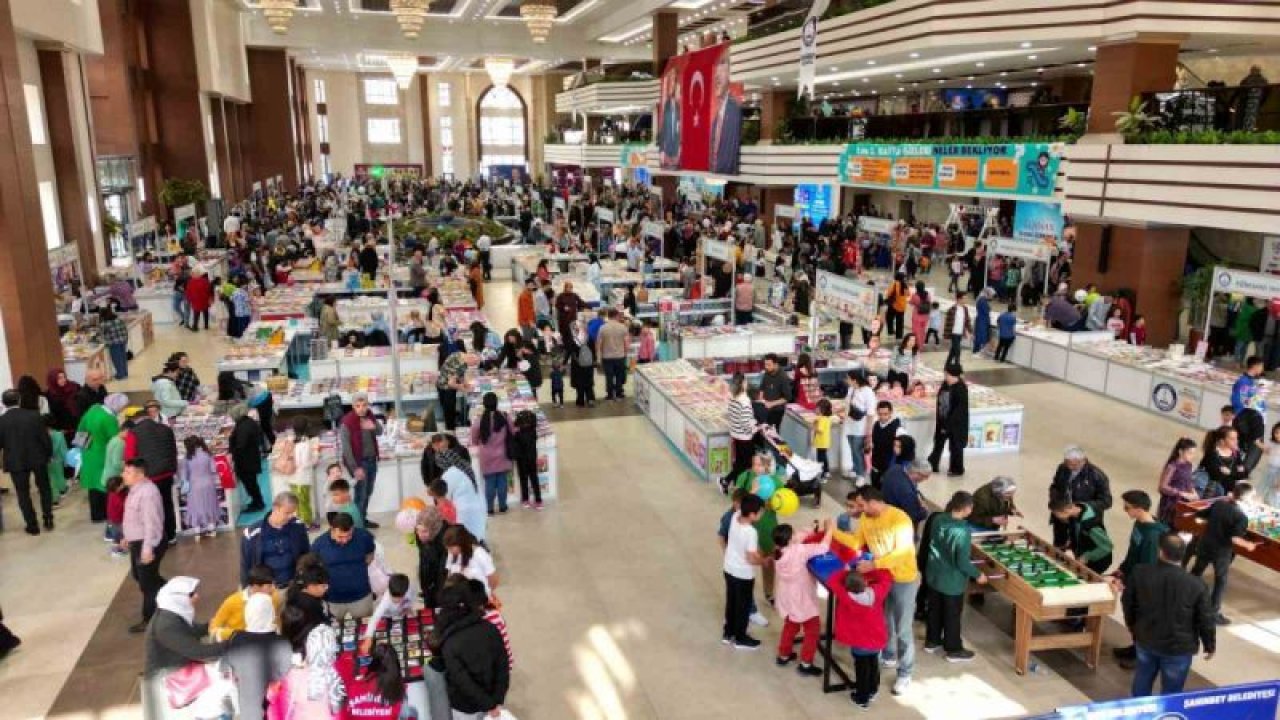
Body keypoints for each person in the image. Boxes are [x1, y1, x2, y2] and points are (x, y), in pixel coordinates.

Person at [840, 486, 919, 696]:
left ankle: (905, 673)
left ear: (873, 502)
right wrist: (832, 533)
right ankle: (889, 655)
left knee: (903, 629)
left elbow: (902, 553)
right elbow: (856, 542)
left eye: (861, 505)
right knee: (885, 621)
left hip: (903, 579)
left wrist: (874, 565)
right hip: (883, 579)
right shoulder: (866, 518)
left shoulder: (900, 519)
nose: (859, 509)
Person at [1123, 534, 1216, 697]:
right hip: (1178, 648)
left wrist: (1132, 626)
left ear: (1160, 551)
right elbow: (1205, 618)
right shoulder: (1197, 585)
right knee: (1172, 692)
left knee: (1142, 679)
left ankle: (1139, 709)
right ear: (1183, 554)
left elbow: (1128, 602)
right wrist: (1209, 644)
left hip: (1146, 638)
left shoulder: (1140, 573)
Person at [141, 577, 230, 720]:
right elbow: (199, 652)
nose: (197, 596)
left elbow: (191, 630)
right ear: (178, 598)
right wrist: (233, 643)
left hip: (177, 672)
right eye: (191, 594)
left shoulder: (171, 614)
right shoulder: (166, 625)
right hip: (169, 683)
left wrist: (211, 625)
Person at [925, 491, 988, 662]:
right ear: (966, 508)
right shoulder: (962, 531)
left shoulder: (938, 519)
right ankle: (954, 649)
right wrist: (978, 575)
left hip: (934, 575)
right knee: (952, 615)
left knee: (934, 610)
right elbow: (962, 562)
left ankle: (932, 641)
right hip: (951, 582)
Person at [432, 583, 510, 719]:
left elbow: (463, 682)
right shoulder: (490, 628)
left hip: (465, 707)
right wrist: (496, 701)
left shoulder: (449, 643)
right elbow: (503, 665)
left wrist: (489, 705)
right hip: (493, 701)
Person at [1190, 482, 1259, 625]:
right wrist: (1249, 545)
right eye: (1253, 497)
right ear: (1246, 499)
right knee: (1221, 581)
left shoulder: (1219, 504)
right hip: (1220, 551)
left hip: (1205, 544)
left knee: (1196, 571)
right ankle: (1213, 613)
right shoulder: (1241, 517)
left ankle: (1184, 597)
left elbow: (1201, 514)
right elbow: (1234, 538)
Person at [772, 520, 833, 675]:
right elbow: (823, 548)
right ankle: (806, 663)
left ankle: (784, 654)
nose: (796, 533)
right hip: (802, 597)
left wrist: (812, 529)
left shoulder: (779, 551)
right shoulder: (799, 550)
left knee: (790, 625)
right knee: (812, 629)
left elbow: (798, 536)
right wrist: (829, 531)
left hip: (786, 595)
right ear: (789, 539)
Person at [830, 565, 894, 709]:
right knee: (874, 665)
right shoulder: (877, 593)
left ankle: (862, 698)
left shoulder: (845, 597)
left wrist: (846, 571)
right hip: (876, 640)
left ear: (847, 587)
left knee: (862, 669)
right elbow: (886, 577)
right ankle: (873, 690)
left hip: (859, 643)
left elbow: (833, 581)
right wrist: (870, 569)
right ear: (865, 583)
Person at [225, 593, 292, 720]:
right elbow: (286, 674)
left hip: (247, 708)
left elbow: (228, 669)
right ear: (271, 613)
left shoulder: (236, 638)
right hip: (274, 708)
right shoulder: (281, 643)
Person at [121, 459, 166, 632]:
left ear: (140, 475)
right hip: (137, 541)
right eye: (124, 471)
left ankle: (150, 620)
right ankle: (175, 592)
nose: (123, 475)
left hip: (147, 542)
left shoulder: (147, 494)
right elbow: (133, 518)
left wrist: (148, 548)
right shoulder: (135, 490)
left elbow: (151, 523)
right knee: (141, 576)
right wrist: (127, 536)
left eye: (128, 472)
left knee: (147, 584)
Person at [0, 389, 54, 534]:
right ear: (19, 400)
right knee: (44, 488)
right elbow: (45, 438)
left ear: (3, 403)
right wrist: (49, 454)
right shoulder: (34, 415)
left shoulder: (1, 421)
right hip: (38, 457)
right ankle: (48, 518)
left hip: (15, 461)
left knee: (23, 493)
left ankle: (32, 525)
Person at [312, 511, 377, 620]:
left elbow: (370, 554)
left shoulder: (364, 536)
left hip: (361, 596)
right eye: (340, 537)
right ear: (332, 529)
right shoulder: (319, 544)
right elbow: (314, 568)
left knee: (364, 626)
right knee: (333, 628)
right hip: (333, 599)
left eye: (349, 535)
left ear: (353, 528)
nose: (345, 540)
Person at [722, 493, 765, 650]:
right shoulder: (751, 532)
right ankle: (740, 638)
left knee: (731, 602)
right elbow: (751, 558)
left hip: (728, 568)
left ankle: (728, 633)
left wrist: (752, 493)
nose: (761, 515)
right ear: (752, 515)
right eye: (760, 513)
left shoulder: (735, 516)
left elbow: (742, 505)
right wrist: (763, 562)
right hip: (743, 575)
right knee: (743, 606)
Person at [239, 491, 310, 588]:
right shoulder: (252, 534)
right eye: (287, 513)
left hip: (293, 586)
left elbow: (306, 555)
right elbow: (245, 566)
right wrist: (246, 590)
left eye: (293, 512)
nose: (291, 517)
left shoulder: (298, 526)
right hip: (267, 589)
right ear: (275, 508)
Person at [1049, 446, 1113, 548]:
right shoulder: (1062, 468)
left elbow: (1107, 501)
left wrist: (1081, 508)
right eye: (1068, 463)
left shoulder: (1097, 476)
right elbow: (1055, 486)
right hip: (1062, 518)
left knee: (1079, 549)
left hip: (1082, 521)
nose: (1070, 467)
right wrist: (1056, 504)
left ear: (1083, 460)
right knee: (1059, 546)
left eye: (1074, 465)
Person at [431, 434, 488, 542]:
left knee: (467, 536)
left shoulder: (450, 473)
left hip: (463, 511)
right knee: (476, 533)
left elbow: (444, 495)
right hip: (475, 506)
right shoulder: (463, 467)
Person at [340, 393, 383, 529]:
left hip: (371, 460)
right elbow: (346, 449)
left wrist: (373, 426)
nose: (361, 408)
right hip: (359, 463)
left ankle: (361, 520)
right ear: (353, 406)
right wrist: (355, 468)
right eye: (358, 406)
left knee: (368, 492)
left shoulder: (369, 416)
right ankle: (357, 527)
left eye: (364, 405)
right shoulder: (347, 422)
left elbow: (380, 431)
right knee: (360, 495)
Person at [210, 564, 281, 641]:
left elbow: (277, 623)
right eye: (269, 586)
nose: (274, 589)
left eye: (274, 584)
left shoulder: (275, 598)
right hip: (238, 644)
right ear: (256, 587)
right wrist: (237, 634)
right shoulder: (232, 601)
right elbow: (214, 629)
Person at [469, 392, 513, 515]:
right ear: (496, 403)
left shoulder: (479, 421)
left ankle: (490, 508)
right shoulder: (504, 417)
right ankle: (503, 506)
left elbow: (474, 439)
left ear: (484, 404)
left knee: (489, 483)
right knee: (502, 481)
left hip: (486, 456)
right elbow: (513, 431)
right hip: (502, 453)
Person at [1049, 493, 1114, 573]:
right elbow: (1077, 532)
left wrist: (1087, 556)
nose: (1056, 517)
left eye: (1056, 514)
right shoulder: (1074, 512)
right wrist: (1070, 544)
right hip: (1083, 555)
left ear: (1066, 511)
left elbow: (1107, 546)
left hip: (1098, 562)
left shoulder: (1091, 523)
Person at [927, 364, 969, 477]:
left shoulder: (961, 389)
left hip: (955, 423)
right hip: (942, 419)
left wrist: (948, 425)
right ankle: (933, 463)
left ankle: (956, 469)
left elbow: (959, 411)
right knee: (938, 442)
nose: (945, 376)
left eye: (946, 374)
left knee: (955, 446)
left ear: (953, 375)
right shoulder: (945, 384)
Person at [179, 436, 221, 538]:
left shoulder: (187, 457)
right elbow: (214, 469)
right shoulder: (207, 454)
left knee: (195, 507)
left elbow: (184, 475)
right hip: (208, 484)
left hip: (194, 486)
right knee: (210, 505)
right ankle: (211, 528)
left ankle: (197, 530)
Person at [229, 403, 266, 515]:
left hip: (246, 461)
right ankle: (257, 501)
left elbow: (241, 445)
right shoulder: (249, 422)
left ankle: (258, 503)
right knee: (252, 483)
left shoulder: (243, 427)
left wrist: (232, 453)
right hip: (251, 458)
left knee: (250, 483)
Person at [444, 525, 499, 595]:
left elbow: (494, 580)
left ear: (461, 544)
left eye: (451, 548)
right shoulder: (452, 553)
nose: (449, 551)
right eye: (448, 548)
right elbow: (449, 575)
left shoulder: (480, 554)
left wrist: (485, 595)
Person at [1157, 437, 1200, 526]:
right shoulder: (1172, 466)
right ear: (1180, 452)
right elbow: (1163, 487)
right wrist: (1181, 493)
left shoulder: (1188, 465)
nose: (1192, 456)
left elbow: (1188, 481)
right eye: (1190, 453)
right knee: (1167, 526)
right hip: (1170, 503)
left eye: (1193, 453)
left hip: (1183, 502)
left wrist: (1193, 492)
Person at [844, 371, 877, 481]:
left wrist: (869, 431)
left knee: (857, 450)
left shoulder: (868, 392)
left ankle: (861, 475)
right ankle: (855, 469)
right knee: (852, 449)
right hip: (850, 424)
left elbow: (871, 413)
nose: (846, 380)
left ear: (854, 380)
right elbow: (848, 404)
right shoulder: (851, 389)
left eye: (848, 378)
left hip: (861, 427)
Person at [882, 458, 932, 528]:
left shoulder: (895, 468)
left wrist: (917, 494)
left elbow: (913, 487)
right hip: (898, 521)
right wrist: (924, 510)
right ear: (917, 473)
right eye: (925, 477)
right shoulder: (906, 491)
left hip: (886, 508)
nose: (925, 479)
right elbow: (915, 515)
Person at [511, 409, 541, 510]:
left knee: (523, 480)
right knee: (534, 479)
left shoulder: (517, 434)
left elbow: (514, 445)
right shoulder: (533, 433)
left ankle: (525, 500)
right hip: (532, 458)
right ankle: (538, 500)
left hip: (522, 460)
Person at [598, 308, 630, 401]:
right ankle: (619, 394)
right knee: (619, 376)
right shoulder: (623, 327)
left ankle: (610, 395)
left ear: (608, 316)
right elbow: (626, 343)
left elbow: (599, 343)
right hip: (620, 356)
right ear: (616, 315)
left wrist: (599, 356)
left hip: (607, 356)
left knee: (609, 376)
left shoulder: (602, 328)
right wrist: (625, 354)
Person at [868, 400, 901, 489]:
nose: (882, 417)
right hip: (876, 462)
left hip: (889, 464)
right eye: (880, 414)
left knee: (887, 487)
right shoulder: (876, 424)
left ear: (891, 412)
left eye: (885, 414)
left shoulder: (898, 428)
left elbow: (902, 449)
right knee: (875, 485)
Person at [757, 353, 793, 428]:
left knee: (773, 432)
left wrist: (772, 403)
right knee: (763, 430)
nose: (766, 367)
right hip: (765, 408)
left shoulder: (783, 377)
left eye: (769, 365)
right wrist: (760, 399)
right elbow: (762, 388)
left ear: (776, 364)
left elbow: (787, 397)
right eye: (765, 364)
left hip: (777, 411)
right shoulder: (767, 372)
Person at [100, 307, 131, 379]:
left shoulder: (104, 324)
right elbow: (125, 329)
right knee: (123, 358)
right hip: (123, 340)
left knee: (117, 359)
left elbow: (102, 334)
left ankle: (120, 375)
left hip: (113, 343)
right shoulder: (119, 320)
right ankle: (125, 373)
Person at [943, 293, 972, 367]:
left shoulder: (965, 309)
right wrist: (946, 335)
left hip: (960, 333)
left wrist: (970, 331)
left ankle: (947, 365)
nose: (966, 300)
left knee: (953, 350)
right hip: (954, 333)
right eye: (964, 298)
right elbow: (947, 323)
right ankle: (957, 366)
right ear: (959, 299)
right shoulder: (952, 310)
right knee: (958, 350)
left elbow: (967, 321)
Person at [813, 398, 834, 480]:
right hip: (825, 442)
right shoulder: (827, 418)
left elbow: (820, 430)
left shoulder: (821, 419)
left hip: (821, 442)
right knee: (824, 457)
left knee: (820, 459)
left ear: (822, 410)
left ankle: (822, 474)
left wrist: (815, 424)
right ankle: (826, 471)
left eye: (817, 408)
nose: (815, 409)